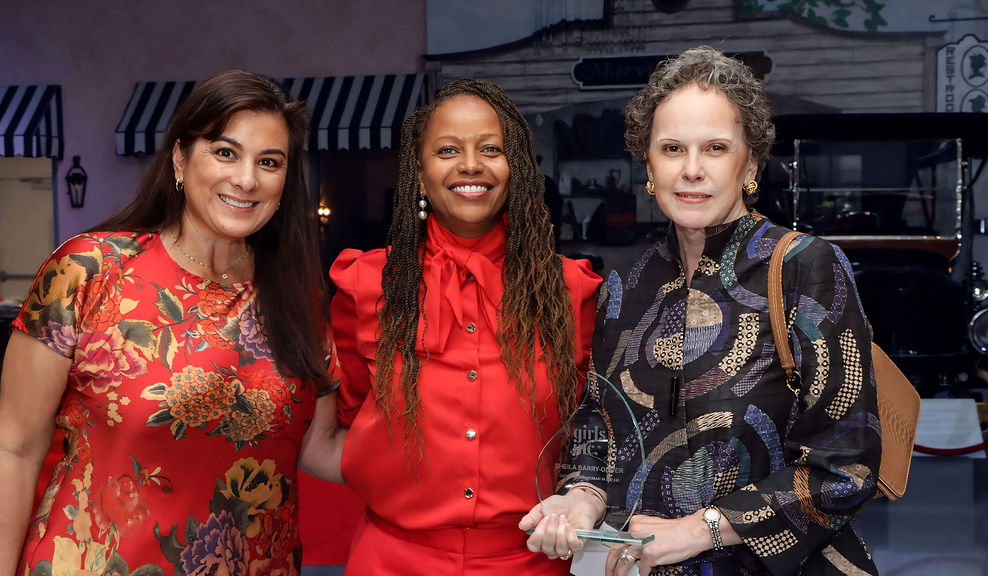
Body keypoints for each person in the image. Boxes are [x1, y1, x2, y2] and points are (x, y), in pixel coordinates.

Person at [521, 46, 882, 576]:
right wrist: (582, 497)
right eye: (672, 149)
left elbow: (846, 466)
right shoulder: (626, 284)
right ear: (648, 163)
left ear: (750, 162)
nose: (692, 170)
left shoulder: (805, 268)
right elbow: (599, 425)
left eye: (715, 148)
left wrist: (700, 530)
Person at [0, 70, 343, 576]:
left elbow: (322, 448)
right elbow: (13, 447)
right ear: (180, 159)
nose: (247, 179)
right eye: (225, 152)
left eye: (269, 162)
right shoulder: (89, 270)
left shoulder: (298, 298)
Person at [325, 78, 601, 575]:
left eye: (491, 149)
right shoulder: (365, 285)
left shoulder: (570, 291)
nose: (471, 165)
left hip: (531, 561)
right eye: (448, 150)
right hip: (392, 561)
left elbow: (591, 430)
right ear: (420, 172)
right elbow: (348, 415)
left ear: (517, 168)